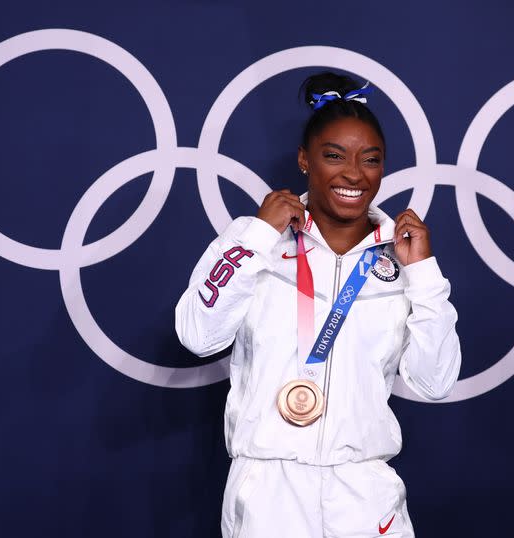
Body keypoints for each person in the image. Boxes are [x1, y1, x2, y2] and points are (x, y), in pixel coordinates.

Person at [175, 72, 461, 537]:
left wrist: (425, 274)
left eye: (371, 160)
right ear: (305, 161)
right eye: (334, 156)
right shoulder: (255, 242)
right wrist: (257, 237)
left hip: (365, 496)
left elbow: (435, 383)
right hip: (269, 491)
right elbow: (198, 335)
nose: (354, 174)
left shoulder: (404, 257)